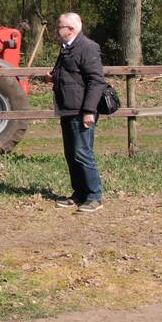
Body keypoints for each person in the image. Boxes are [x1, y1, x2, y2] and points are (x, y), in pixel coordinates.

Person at [51, 12, 106, 213]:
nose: (57, 31)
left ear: (71, 29)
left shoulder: (88, 47)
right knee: (71, 154)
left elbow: (96, 80)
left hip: (81, 110)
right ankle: (79, 193)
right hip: (67, 108)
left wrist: (89, 110)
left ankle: (94, 196)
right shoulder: (67, 48)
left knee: (83, 153)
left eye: (60, 27)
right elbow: (73, 75)